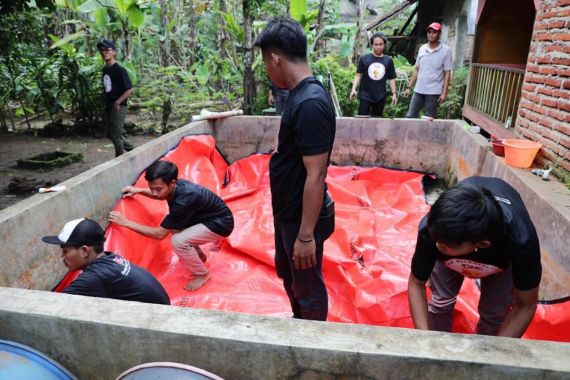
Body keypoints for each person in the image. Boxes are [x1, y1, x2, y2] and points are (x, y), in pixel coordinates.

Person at [255, 17, 336, 321]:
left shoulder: (310, 103)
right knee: (292, 277)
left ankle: (311, 341)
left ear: (275, 58)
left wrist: (305, 237)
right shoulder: (298, 96)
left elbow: (317, 174)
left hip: (302, 219)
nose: (267, 69)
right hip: (289, 211)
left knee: (307, 286)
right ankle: (299, 322)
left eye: (265, 62)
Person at [408, 176, 542, 337]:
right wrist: (424, 341)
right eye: (436, 241)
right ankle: (438, 344)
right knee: (441, 301)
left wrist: (494, 356)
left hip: (500, 260)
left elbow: (525, 306)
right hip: (454, 252)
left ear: (482, 244)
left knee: (494, 313)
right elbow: (416, 284)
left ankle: (485, 348)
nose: (437, 246)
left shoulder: (520, 242)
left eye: (445, 246)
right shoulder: (433, 229)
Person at [108, 160, 234, 291]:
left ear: (172, 183)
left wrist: (126, 222)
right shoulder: (176, 187)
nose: (155, 193)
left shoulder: (184, 200)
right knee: (175, 228)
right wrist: (138, 190)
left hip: (221, 224)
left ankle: (201, 274)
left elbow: (159, 234)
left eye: (158, 189)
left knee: (178, 241)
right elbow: (161, 195)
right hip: (205, 218)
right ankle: (199, 256)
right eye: (152, 188)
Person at [42, 218, 170, 305]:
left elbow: (55, 305)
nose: (62, 257)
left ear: (85, 251)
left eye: (65, 251)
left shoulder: (94, 276)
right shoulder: (110, 258)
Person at [404, 22, 453, 118]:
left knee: (428, 118)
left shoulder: (446, 51)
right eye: (429, 32)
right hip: (419, 89)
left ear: (439, 34)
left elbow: (447, 73)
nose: (431, 34)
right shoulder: (422, 48)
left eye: (434, 32)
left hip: (433, 91)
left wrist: (444, 92)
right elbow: (417, 69)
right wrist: (409, 87)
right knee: (410, 116)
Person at [97, 39, 135, 157]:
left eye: (107, 50)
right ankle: (135, 152)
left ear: (114, 53)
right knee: (111, 133)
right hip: (109, 105)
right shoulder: (105, 69)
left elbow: (130, 89)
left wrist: (118, 102)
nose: (104, 53)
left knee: (116, 136)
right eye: (102, 50)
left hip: (118, 106)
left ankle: (119, 160)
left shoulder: (119, 69)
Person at [350, 32, 398, 117]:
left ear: (384, 44)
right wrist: (353, 89)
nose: (378, 47)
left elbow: (391, 78)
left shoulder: (388, 60)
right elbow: (358, 75)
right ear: (372, 45)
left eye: (381, 44)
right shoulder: (364, 59)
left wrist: (394, 93)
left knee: (376, 123)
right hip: (365, 96)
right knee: (362, 121)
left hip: (380, 96)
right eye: (376, 44)